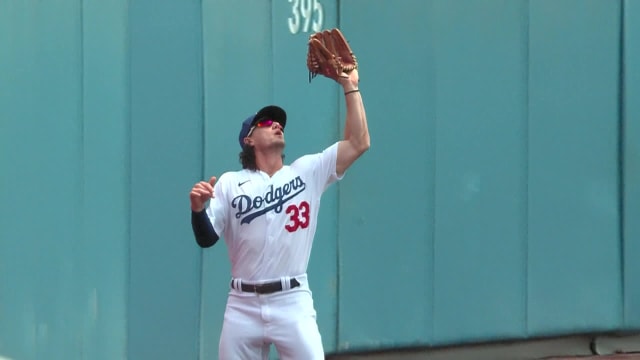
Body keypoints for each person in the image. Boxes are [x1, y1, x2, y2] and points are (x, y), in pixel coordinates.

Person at [189, 68, 369, 359]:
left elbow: (359, 142)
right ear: (248, 140)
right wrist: (198, 210)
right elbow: (207, 238)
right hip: (242, 304)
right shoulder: (230, 183)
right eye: (266, 122)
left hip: (292, 300)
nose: (276, 125)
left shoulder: (308, 171)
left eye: (279, 123)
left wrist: (351, 87)